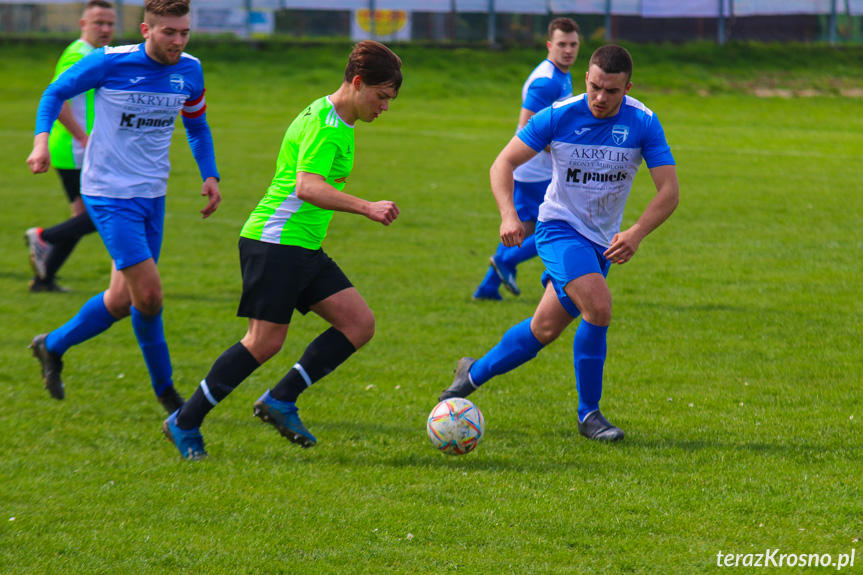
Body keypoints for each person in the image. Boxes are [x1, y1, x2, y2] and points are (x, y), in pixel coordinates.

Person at [161, 40, 402, 460]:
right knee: (263, 341)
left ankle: (280, 399)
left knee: (358, 323)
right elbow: (306, 187)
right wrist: (366, 207)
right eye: (381, 97)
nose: (384, 107)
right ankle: (184, 420)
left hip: (301, 245)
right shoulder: (327, 127)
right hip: (275, 242)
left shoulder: (335, 118)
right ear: (358, 83)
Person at [441, 45, 679, 441]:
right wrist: (508, 215)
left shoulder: (644, 122)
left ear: (628, 87)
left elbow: (669, 191)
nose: (601, 98)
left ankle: (472, 372)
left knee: (543, 329)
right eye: (595, 87)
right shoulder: (558, 114)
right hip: (558, 229)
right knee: (599, 308)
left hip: (601, 242)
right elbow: (502, 163)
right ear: (586, 77)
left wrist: (635, 233)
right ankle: (590, 416)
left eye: (612, 91)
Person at [26, 0, 221, 415]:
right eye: (169, 32)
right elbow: (55, 92)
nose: (178, 41)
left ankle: (51, 345)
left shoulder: (189, 69)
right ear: (146, 30)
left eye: (184, 32)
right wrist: (41, 141)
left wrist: (210, 174)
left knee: (120, 300)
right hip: (108, 192)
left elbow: (197, 123)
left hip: (153, 193)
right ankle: (169, 396)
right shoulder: (108, 62)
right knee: (148, 296)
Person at [473, 17, 580, 301]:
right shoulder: (546, 82)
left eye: (573, 44)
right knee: (562, 225)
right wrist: (567, 151)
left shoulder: (561, 73)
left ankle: (487, 288)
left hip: (536, 171)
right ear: (549, 45)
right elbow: (527, 129)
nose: (568, 50)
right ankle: (507, 262)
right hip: (535, 172)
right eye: (562, 44)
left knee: (524, 229)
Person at [24, 0, 116, 293]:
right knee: (103, 213)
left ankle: (44, 279)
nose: (105, 29)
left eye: (110, 23)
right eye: (98, 22)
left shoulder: (92, 53)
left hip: (76, 149)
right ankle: (44, 237)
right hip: (75, 150)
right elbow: (57, 98)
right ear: (82, 24)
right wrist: (83, 136)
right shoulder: (78, 54)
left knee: (84, 218)